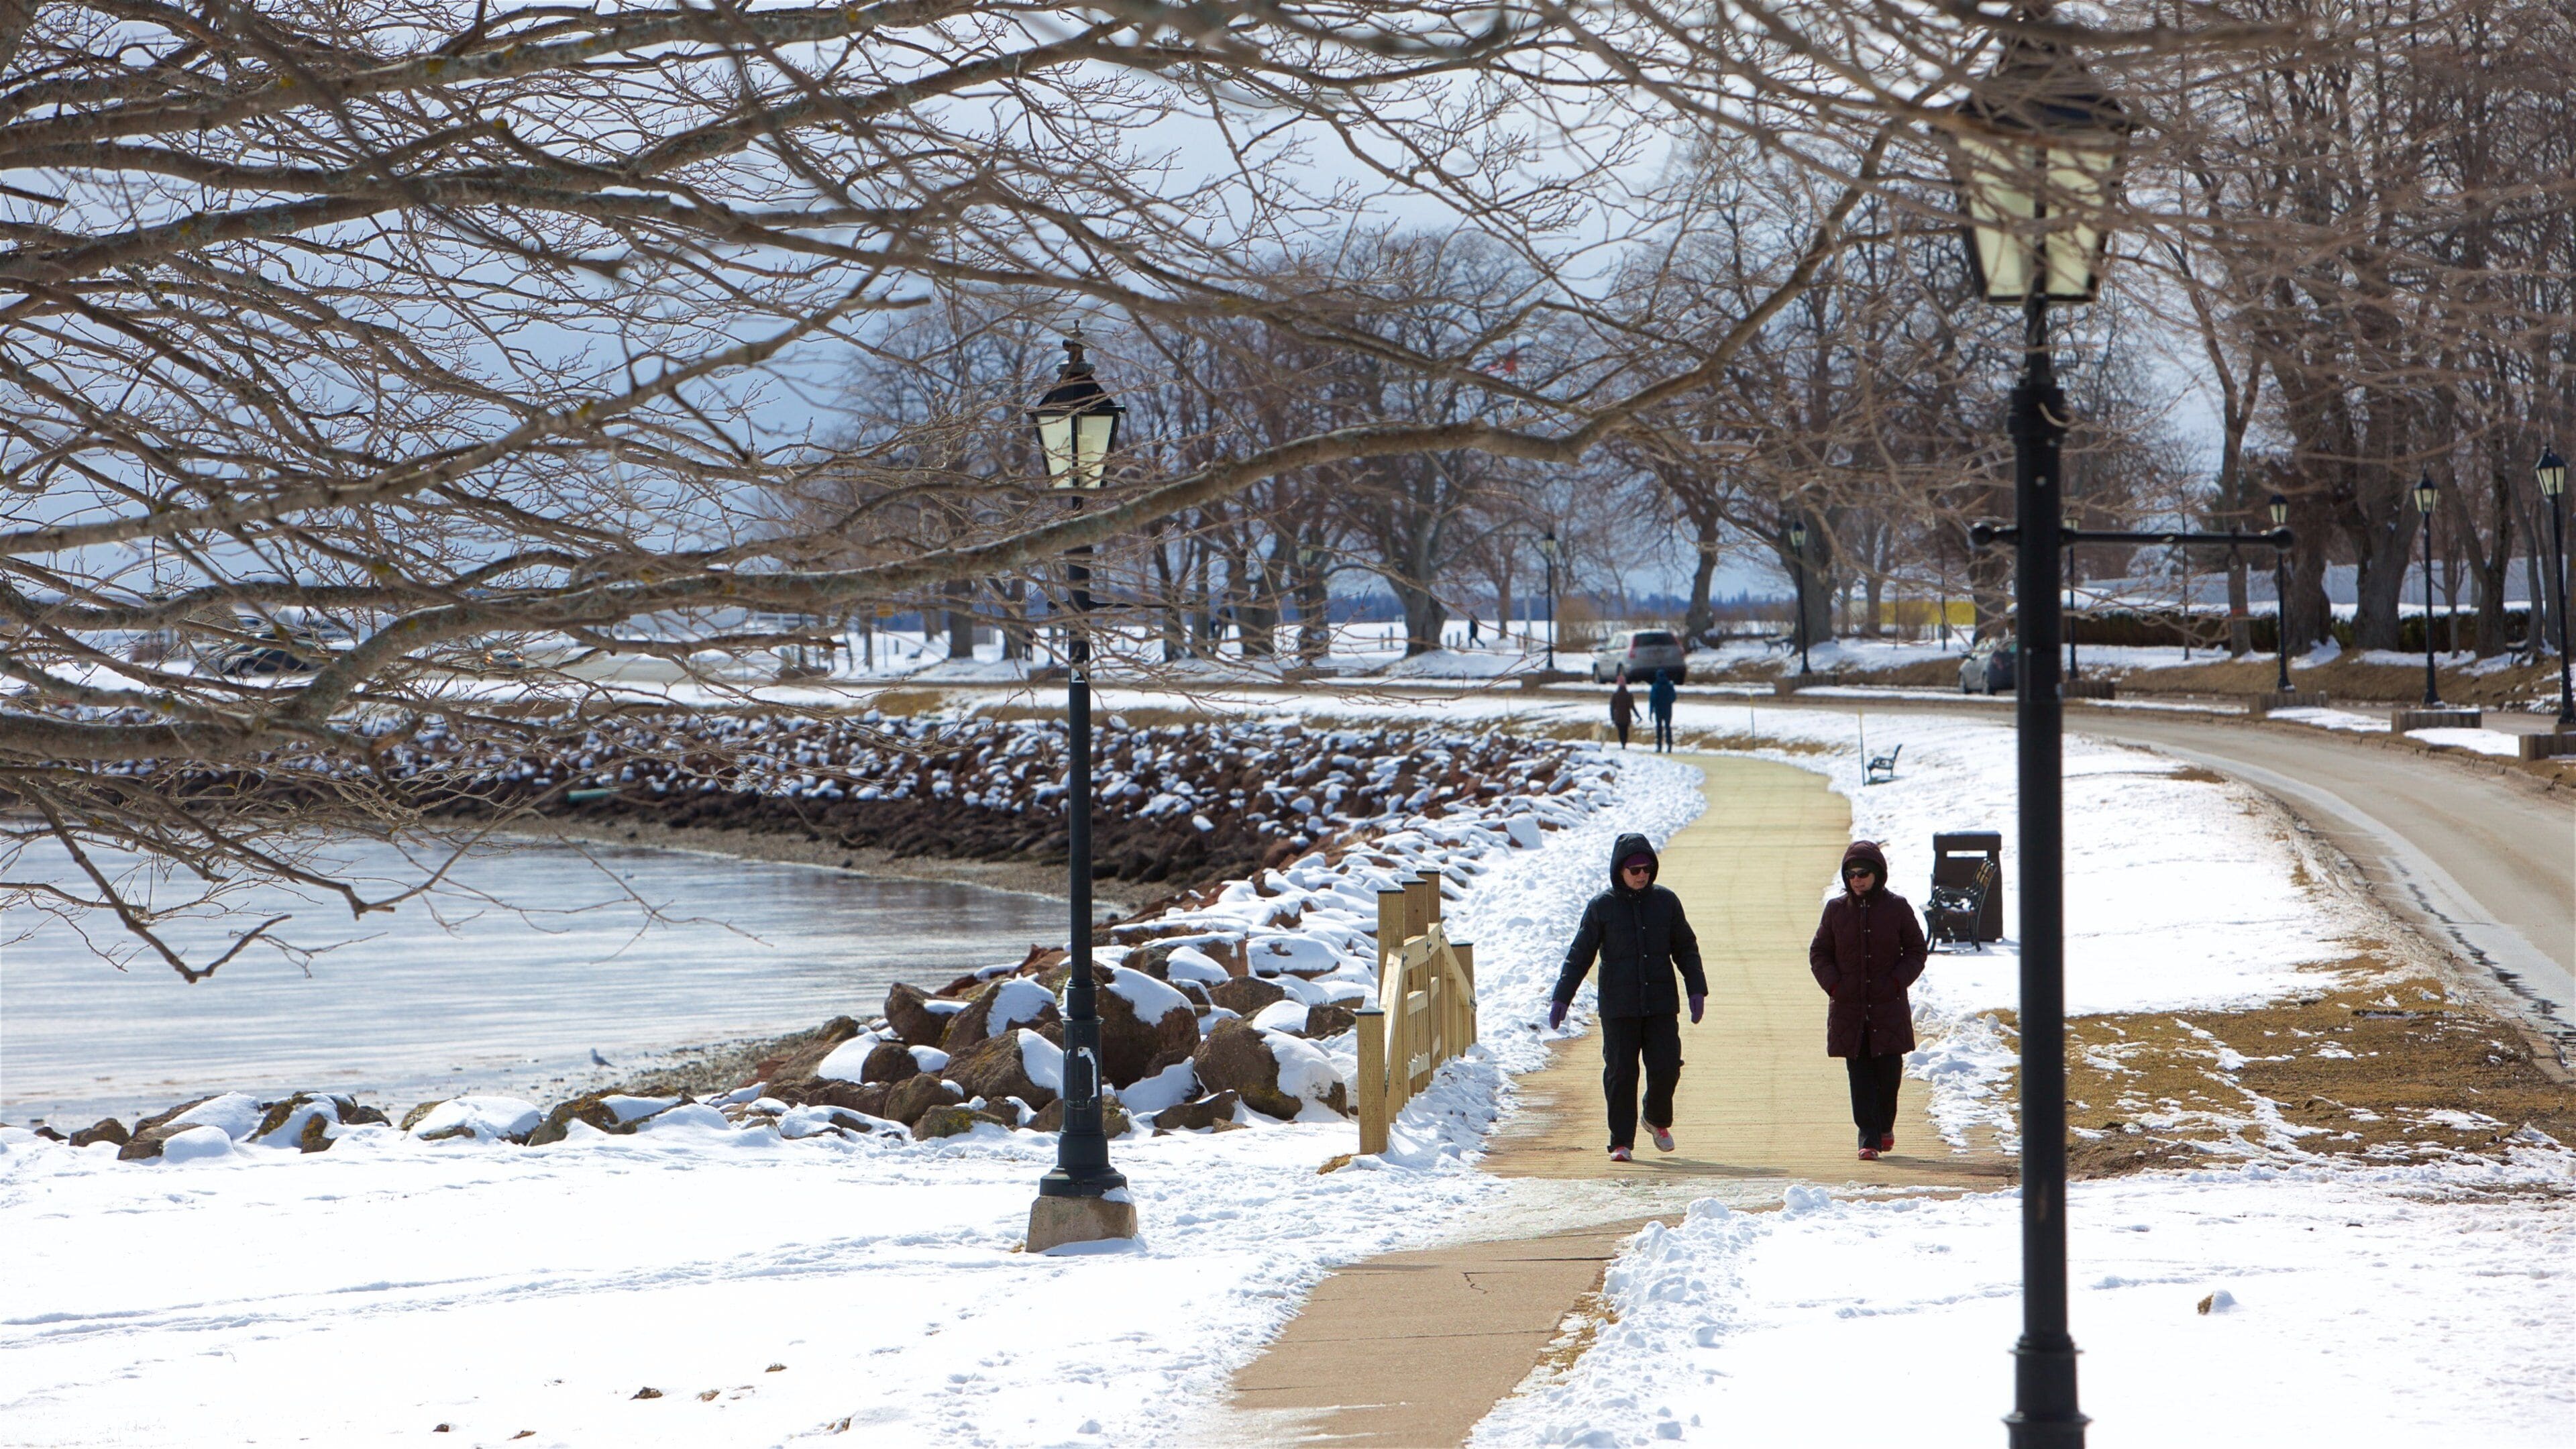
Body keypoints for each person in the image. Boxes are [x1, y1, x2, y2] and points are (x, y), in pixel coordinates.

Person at [1550, 834, 1707, 1162]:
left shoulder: (1666, 902)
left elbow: (1686, 948)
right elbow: (1580, 955)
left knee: (1666, 1067)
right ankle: (1621, 1141)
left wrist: (1696, 987)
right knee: (1621, 1072)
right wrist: (1562, 997)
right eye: (1634, 868)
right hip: (1619, 1006)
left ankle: (1655, 1119)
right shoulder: (1602, 907)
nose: (1641, 875)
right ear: (1619, 870)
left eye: (1647, 868)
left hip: (1661, 1002)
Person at [1807, 840, 1928, 1161]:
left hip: (1888, 1006)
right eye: (1850, 874)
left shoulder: (1897, 908)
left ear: (1878, 874)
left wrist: (1896, 981)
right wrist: (1834, 985)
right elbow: (1819, 952)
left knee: (1888, 1076)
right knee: (1859, 1077)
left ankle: (1885, 1125)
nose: (1857, 879)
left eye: (1863, 873)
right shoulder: (1835, 910)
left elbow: (1916, 950)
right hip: (1850, 1008)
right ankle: (1868, 1139)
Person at [1648, 667, 1676, 753]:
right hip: (1668, 709)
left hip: (1658, 709)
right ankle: (1669, 745)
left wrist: (1651, 711)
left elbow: (1652, 699)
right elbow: (1674, 697)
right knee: (1668, 726)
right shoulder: (1669, 685)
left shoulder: (1655, 686)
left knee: (1659, 728)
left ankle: (1659, 746)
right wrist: (1668, 702)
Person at [1609, 671, 1635, 749]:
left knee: (1621, 731)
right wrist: (1638, 715)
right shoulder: (1629, 695)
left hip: (1618, 717)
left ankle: (1622, 743)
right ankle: (1624, 743)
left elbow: (1612, 707)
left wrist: (1612, 717)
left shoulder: (1615, 695)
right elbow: (1632, 706)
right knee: (1625, 730)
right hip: (1627, 716)